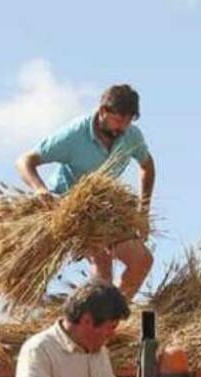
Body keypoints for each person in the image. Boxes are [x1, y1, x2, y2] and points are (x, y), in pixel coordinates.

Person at [16, 84, 155, 300]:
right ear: (103, 112)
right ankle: (97, 318)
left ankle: (113, 317)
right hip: (69, 209)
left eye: (128, 122)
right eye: (118, 121)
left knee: (142, 260)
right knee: (103, 266)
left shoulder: (131, 136)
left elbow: (147, 166)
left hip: (103, 209)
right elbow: (25, 161)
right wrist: (40, 190)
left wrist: (143, 211)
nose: (122, 128)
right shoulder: (74, 135)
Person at [12, 280, 159, 377]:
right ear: (87, 320)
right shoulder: (39, 349)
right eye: (111, 327)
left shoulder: (100, 352)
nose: (112, 334)